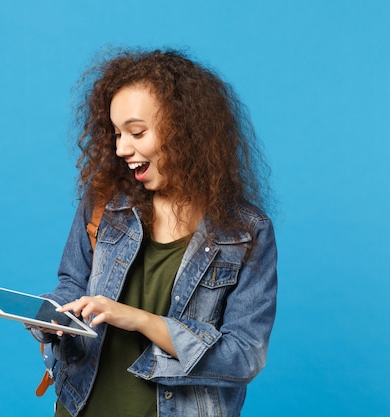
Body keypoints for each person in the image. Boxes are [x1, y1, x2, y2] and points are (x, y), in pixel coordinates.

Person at [30, 48, 278, 417]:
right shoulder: (102, 204)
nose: (121, 149)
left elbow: (243, 356)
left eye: (136, 132)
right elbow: (72, 285)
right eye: (116, 134)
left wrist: (139, 319)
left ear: (186, 130)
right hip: (79, 407)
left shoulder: (245, 232)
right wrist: (53, 318)